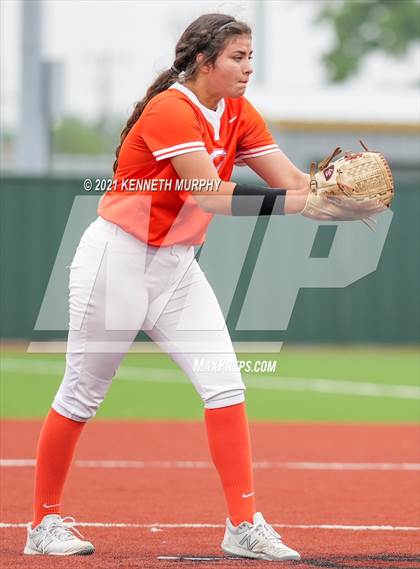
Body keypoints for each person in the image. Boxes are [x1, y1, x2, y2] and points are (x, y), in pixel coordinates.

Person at [24, 13, 310, 561]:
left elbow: (293, 183)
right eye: (238, 57)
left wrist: (329, 197)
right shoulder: (171, 109)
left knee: (225, 385)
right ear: (204, 62)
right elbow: (209, 194)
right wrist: (299, 205)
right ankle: (42, 524)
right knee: (82, 393)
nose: (249, 67)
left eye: (251, 56)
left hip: (176, 266)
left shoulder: (238, 113)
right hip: (119, 258)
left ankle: (243, 524)